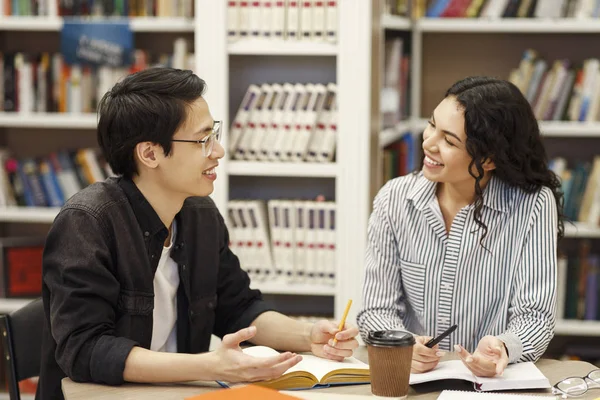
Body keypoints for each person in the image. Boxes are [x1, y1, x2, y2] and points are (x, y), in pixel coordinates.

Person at [37, 68, 359, 400]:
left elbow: (238, 308)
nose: (218, 151)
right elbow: (86, 349)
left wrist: (309, 335)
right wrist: (211, 366)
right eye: (203, 140)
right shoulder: (88, 223)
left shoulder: (199, 215)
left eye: (214, 135)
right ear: (150, 154)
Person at [357, 76, 563, 378]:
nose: (428, 142)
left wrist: (503, 347)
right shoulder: (394, 199)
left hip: (490, 386)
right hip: (412, 383)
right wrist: (401, 344)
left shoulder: (533, 205)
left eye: (449, 141)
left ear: (489, 159)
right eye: (431, 125)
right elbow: (376, 310)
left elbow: (535, 316)